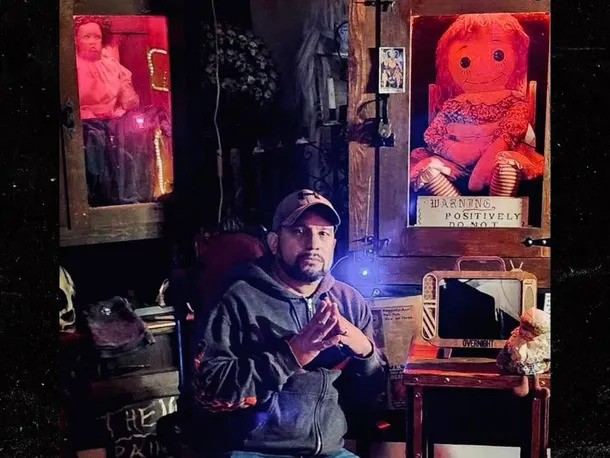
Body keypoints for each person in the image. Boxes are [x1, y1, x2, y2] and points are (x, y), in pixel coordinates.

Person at [189, 190, 387, 457]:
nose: (313, 244)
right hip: (254, 451)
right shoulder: (237, 299)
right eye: (299, 232)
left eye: (323, 233)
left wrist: (365, 352)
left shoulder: (349, 301)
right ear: (274, 243)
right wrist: (291, 355)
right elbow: (208, 391)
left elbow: (370, 397)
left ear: (333, 243)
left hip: (329, 452)